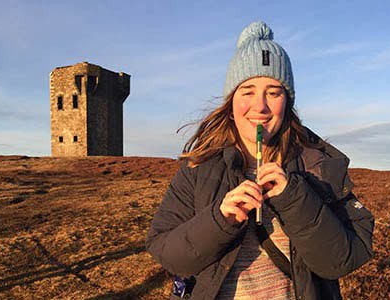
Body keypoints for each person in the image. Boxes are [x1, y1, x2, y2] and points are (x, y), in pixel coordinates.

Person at [146, 21, 374, 300]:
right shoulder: (199, 166)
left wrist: (294, 199)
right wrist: (220, 220)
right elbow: (166, 252)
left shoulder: (319, 164)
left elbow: (343, 259)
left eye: (273, 92)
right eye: (248, 91)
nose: (261, 107)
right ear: (231, 101)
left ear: (287, 102)